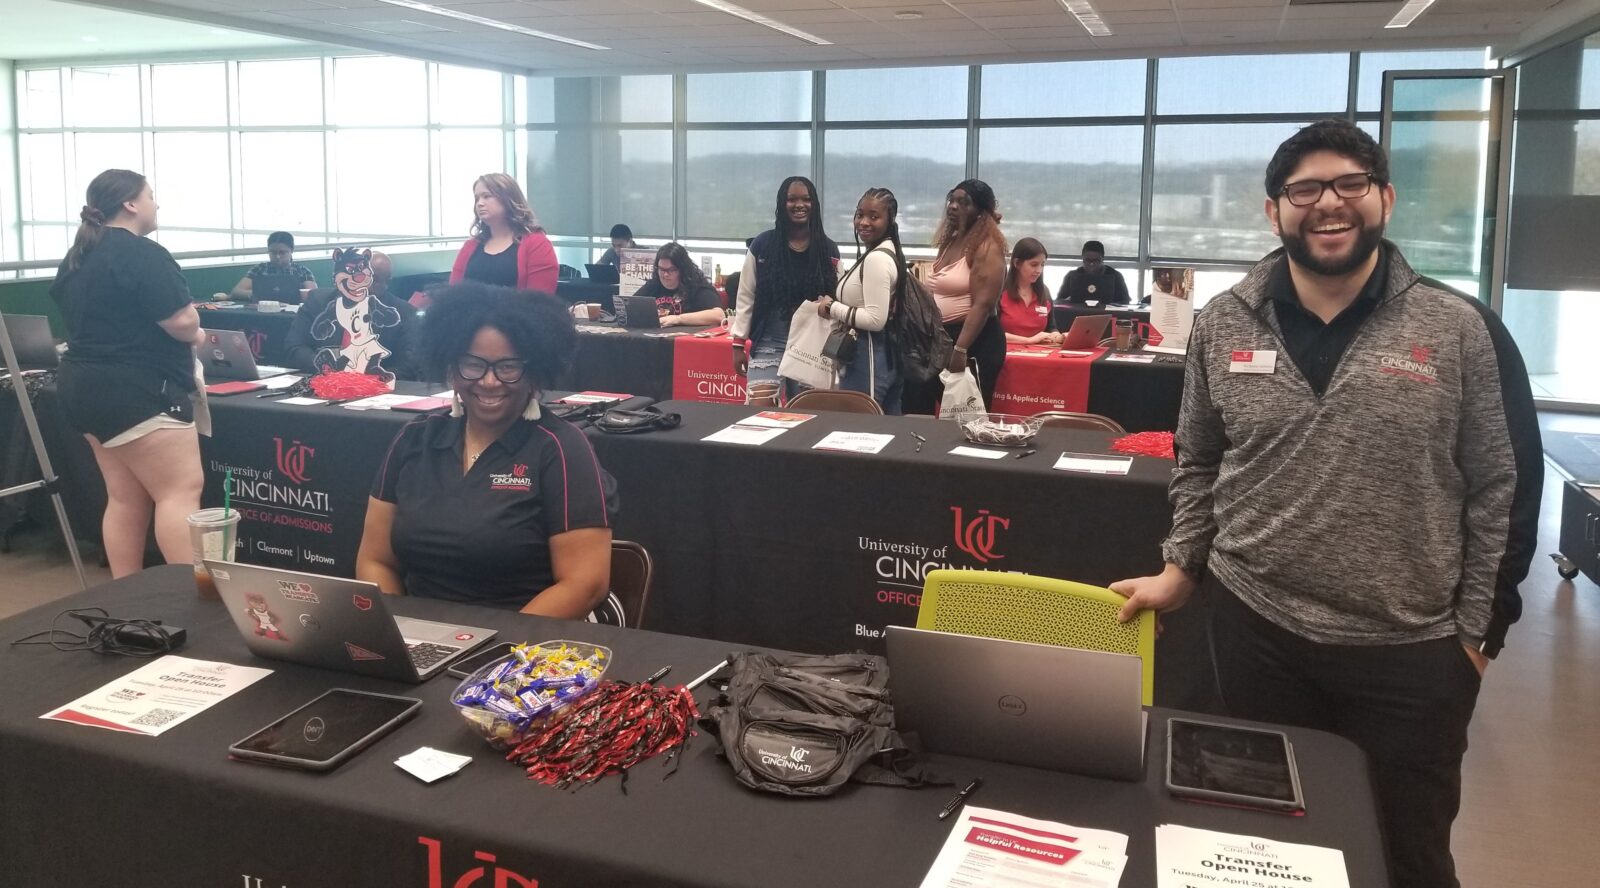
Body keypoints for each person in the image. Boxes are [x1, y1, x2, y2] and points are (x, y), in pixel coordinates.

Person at [1109, 120, 1541, 888]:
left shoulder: (1459, 329)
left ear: (1385, 199)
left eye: (1349, 183)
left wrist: (1477, 637)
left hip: (1410, 651)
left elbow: (1504, 488)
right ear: (1273, 211)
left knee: (1405, 857)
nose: (1328, 203)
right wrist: (1182, 564)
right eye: (1305, 190)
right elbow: (1199, 458)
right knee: (1252, 850)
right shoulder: (1224, 321)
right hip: (1252, 632)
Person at [356, 282, 616, 616]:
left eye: (508, 367)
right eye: (473, 365)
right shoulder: (415, 438)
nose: (490, 381)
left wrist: (498, 651)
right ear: (451, 368)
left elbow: (585, 584)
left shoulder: (560, 449)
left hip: (521, 646)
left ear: (534, 373)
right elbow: (375, 560)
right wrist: (400, 631)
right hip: (420, 642)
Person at [49, 169, 205, 578]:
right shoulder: (142, 253)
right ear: (131, 204)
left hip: (82, 388)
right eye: (151, 195)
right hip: (138, 391)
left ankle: (125, 599)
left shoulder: (78, 256)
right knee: (179, 492)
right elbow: (182, 323)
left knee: (125, 499)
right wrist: (198, 331)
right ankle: (189, 600)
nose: (156, 204)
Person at [902, 179, 1007, 413]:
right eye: (952, 199)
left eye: (964, 202)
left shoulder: (987, 247)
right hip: (940, 338)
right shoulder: (951, 241)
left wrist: (961, 350)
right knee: (917, 404)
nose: (953, 206)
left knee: (966, 415)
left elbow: (983, 304)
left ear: (981, 212)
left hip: (974, 341)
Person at [731, 176, 839, 402]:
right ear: (782, 203)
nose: (800, 205)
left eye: (806, 199)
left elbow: (837, 301)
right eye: (792, 199)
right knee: (759, 414)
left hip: (811, 347)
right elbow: (746, 296)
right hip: (770, 343)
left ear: (814, 204)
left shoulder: (828, 250)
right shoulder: (762, 246)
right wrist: (738, 343)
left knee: (809, 419)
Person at [815, 188, 904, 413]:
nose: (863, 222)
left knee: (858, 430)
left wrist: (831, 307)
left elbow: (875, 319)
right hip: (882, 355)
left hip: (869, 356)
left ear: (890, 220)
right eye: (859, 214)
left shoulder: (876, 259)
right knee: (884, 431)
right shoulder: (885, 251)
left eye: (874, 217)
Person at [285, 250, 420, 379]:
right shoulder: (319, 302)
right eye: (374, 279)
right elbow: (295, 348)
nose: (382, 286)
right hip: (322, 382)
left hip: (372, 390)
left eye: (387, 280)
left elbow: (409, 367)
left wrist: (361, 380)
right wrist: (328, 371)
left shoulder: (403, 312)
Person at [449, 173, 558, 295]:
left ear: (508, 199)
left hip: (518, 313)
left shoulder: (537, 244)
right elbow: (453, 295)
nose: (480, 203)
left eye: (487, 196)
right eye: (477, 198)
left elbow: (539, 301)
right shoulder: (471, 245)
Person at [633, 243, 724, 327]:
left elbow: (719, 315)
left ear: (683, 269)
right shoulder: (653, 285)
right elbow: (630, 306)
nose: (665, 275)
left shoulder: (697, 287)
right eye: (661, 269)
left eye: (671, 270)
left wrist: (678, 319)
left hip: (686, 341)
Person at [998, 237, 1061, 346]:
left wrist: (1058, 336)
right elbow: (992, 333)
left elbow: (1051, 328)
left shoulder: (1044, 291)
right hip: (1005, 354)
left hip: (1039, 355)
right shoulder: (999, 291)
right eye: (1034, 265)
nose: (1039, 270)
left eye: (1042, 265)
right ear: (1016, 263)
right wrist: (1028, 340)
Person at [229, 231, 316, 301]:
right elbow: (236, 291)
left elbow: (314, 295)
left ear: (291, 251)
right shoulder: (259, 269)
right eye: (273, 252)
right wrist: (257, 294)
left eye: (282, 252)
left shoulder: (303, 271)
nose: (277, 256)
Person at [1057, 240, 1130, 305]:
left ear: (1103, 259)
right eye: (1088, 260)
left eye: (1096, 260)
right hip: (1078, 315)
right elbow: (1059, 301)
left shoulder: (1115, 276)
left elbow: (1125, 302)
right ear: (1082, 258)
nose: (1091, 264)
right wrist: (1068, 300)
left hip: (1108, 315)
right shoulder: (1072, 276)